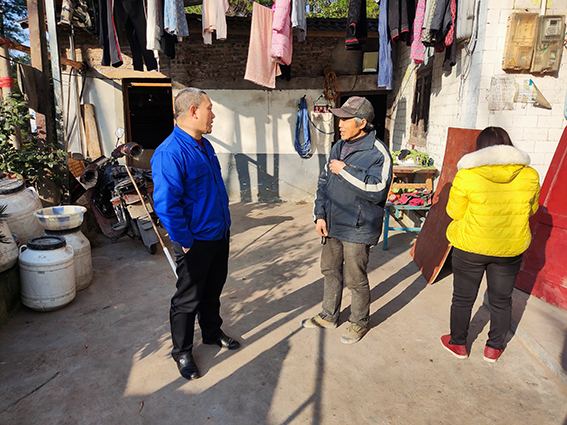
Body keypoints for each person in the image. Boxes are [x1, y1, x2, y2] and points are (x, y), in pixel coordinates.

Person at [151, 88, 240, 381]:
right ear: (193, 111)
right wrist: (185, 241)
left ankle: (212, 333)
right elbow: (166, 205)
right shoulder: (170, 152)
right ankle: (182, 352)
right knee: (188, 298)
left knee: (213, 290)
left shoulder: (204, 145)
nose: (213, 115)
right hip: (195, 241)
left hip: (218, 233)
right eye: (209, 109)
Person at [441, 127, 540, 363]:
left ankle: (458, 344)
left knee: (463, 298)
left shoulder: (467, 175)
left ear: (480, 148)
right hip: (509, 247)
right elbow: (532, 209)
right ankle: (494, 348)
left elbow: (454, 212)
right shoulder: (529, 175)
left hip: (470, 245)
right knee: (502, 300)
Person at [301, 96, 393, 344]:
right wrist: (320, 215)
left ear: (362, 123)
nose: (339, 124)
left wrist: (345, 170)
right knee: (330, 271)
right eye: (339, 119)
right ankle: (329, 315)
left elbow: (378, 190)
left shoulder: (378, 152)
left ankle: (359, 322)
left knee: (355, 279)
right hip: (332, 223)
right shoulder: (338, 146)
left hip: (358, 227)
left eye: (345, 119)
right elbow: (323, 182)